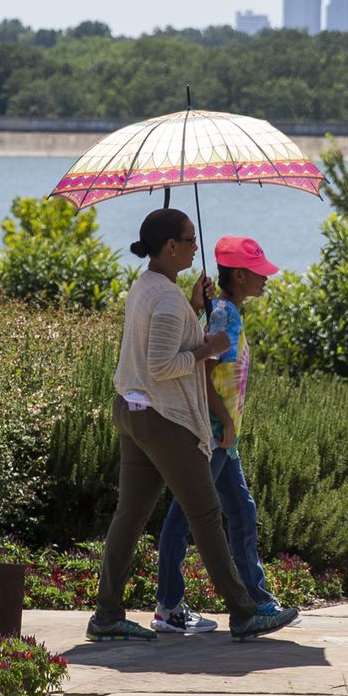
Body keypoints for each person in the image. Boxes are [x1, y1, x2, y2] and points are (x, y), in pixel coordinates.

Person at [88, 209, 299, 643]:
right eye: (189, 239)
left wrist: (193, 307)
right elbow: (164, 365)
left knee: (130, 516)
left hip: (132, 411)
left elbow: (162, 336)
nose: (195, 246)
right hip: (164, 419)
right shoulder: (165, 299)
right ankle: (244, 613)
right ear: (170, 247)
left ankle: (107, 614)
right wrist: (211, 347)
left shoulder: (147, 287)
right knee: (205, 514)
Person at [152, 235, 297, 634]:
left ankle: (259, 602)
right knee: (185, 517)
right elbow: (205, 370)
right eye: (258, 273)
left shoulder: (225, 310)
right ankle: (169, 606)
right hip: (215, 435)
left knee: (241, 512)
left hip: (223, 439)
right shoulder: (225, 317)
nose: (265, 279)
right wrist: (227, 425)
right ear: (238, 274)